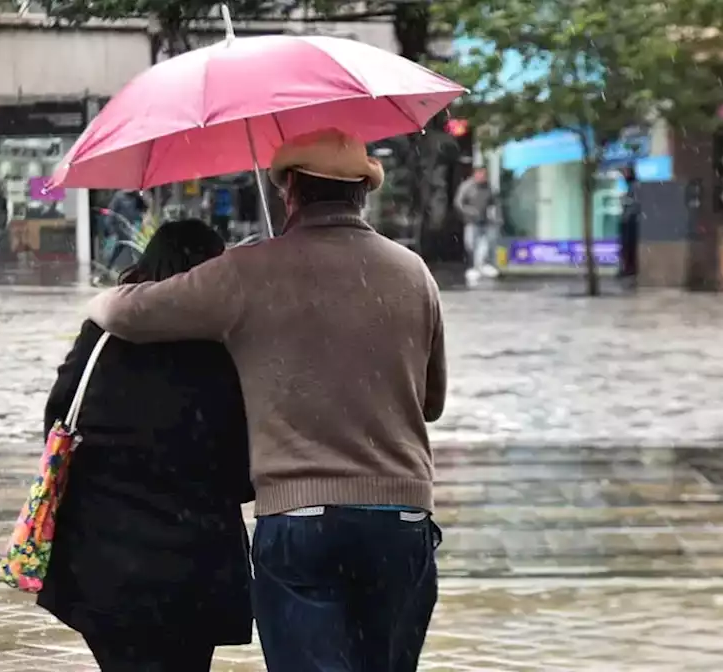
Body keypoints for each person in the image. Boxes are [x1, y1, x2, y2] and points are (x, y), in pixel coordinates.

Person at [86, 128, 446, 672]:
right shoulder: (413, 272)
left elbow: (130, 315)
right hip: (400, 519)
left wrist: (101, 296)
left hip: (299, 520)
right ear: (363, 194)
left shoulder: (248, 272)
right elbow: (432, 401)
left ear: (291, 193)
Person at [38, 219, 254, 672]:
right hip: (194, 564)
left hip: (103, 561)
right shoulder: (223, 348)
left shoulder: (103, 335)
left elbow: (58, 421)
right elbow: (244, 469)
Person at [454, 166, 499, 285]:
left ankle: (485, 265)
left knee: (487, 243)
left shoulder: (489, 187)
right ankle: (473, 267)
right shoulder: (467, 187)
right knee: (471, 244)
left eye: (484, 175)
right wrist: (469, 212)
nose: (482, 177)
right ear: (475, 174)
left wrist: (493, 215)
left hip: (486, 220)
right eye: (480, 174)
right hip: (471, 221)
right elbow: (459, 203)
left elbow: (493, 202)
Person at [618, 166, 640, 281]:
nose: (624, 175)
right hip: (628, 221)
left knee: (629, 246)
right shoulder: (631, 186)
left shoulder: (634, 186)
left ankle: (629, 269)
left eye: (625, 172)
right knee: (626, 246)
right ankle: (627, 268)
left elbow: (635, 203)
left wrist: (625, 201)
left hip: (630, 222)